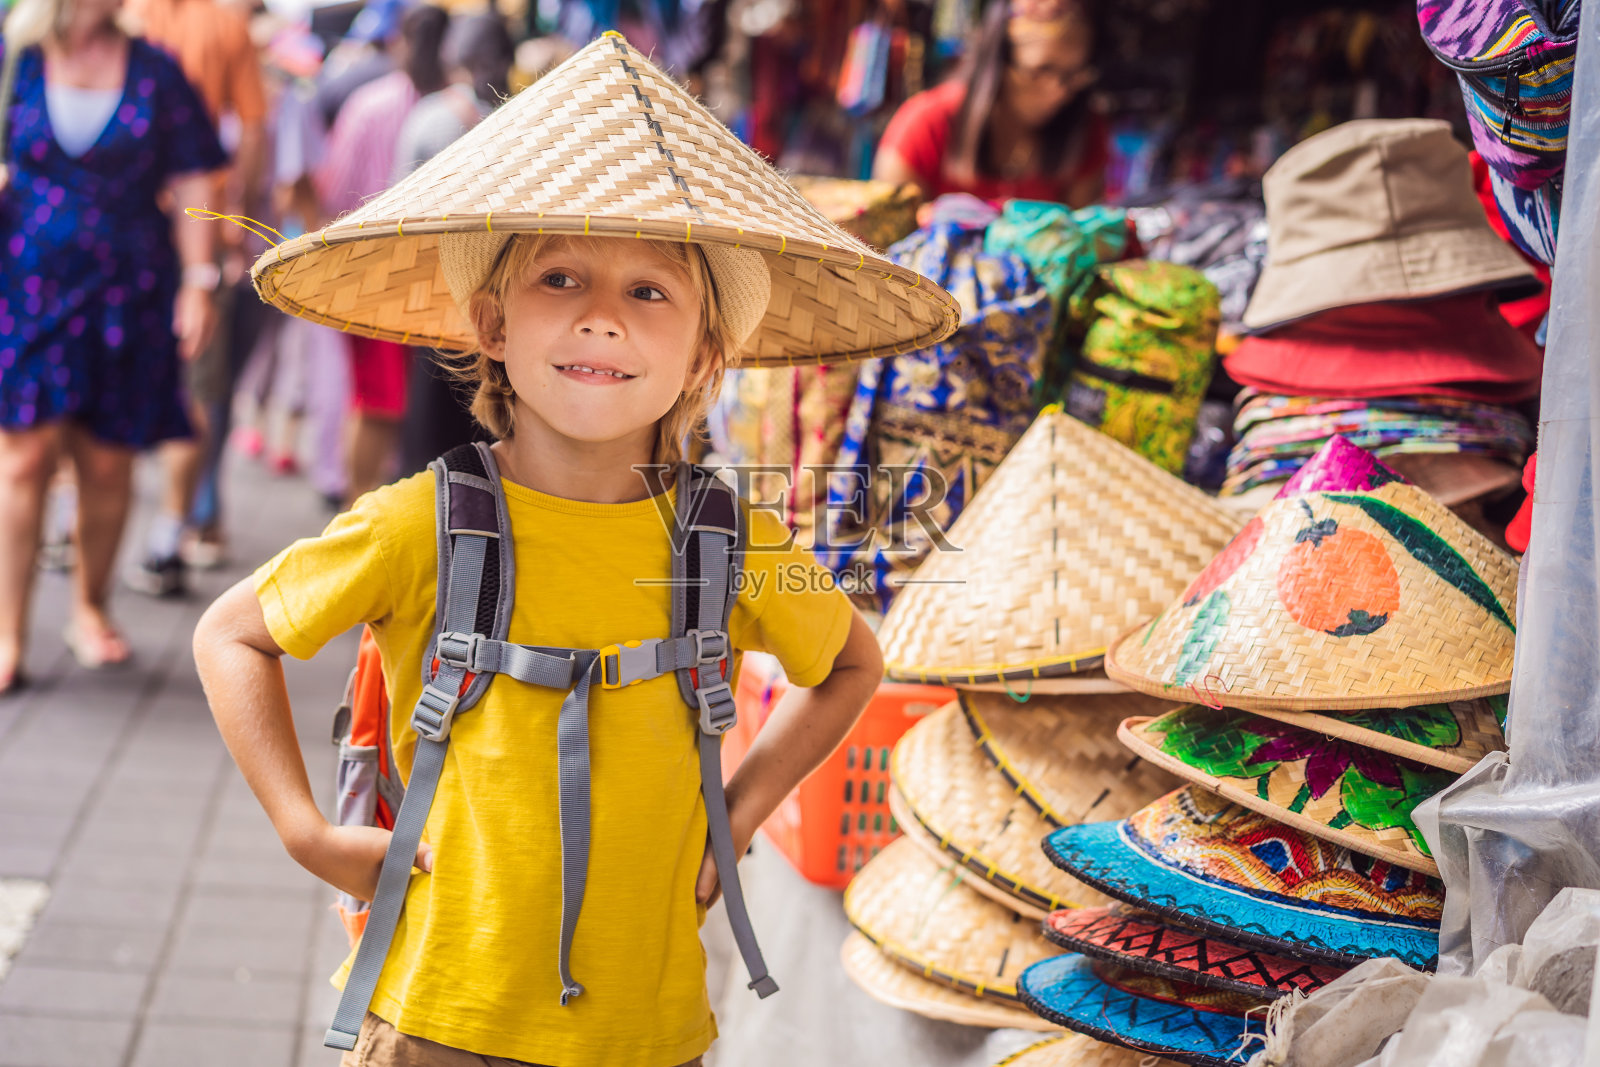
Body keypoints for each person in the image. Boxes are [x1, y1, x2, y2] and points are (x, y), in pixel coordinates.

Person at [191, 33, 924, 1066]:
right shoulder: (419, 525)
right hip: (436, 1022)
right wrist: (304, 831)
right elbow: (231, 636)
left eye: (650, 291)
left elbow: (852, 660)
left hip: (648, 1034)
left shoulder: (727, 538)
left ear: (705, 353)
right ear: (491, 321)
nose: (600, 319)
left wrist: (743, 806)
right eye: (561, 277)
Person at [0, 0, 223, 686]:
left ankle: (89, 607)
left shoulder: (156, 70)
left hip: (129, 288)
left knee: (105, 460)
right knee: (23, 458)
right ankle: (7, 632)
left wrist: (198, 280)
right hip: (28, 285)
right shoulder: (18, 59)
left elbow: (193, 180)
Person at [123, 0, 270, 591]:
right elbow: (254, 128)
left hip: (125, 231)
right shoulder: (224, 25)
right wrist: (235, 215)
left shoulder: (123, 21)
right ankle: (179, 527)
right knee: (201, 384)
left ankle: (89, 532)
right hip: (200, 229)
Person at [314, 1, 448, 504]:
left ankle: (360, 507)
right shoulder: (379, 107)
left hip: (375, 273)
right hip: (381, 274)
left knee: (382, 403)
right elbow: (334, 195)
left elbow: (332, 193)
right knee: (381, 403)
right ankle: (356, 509)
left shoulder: (371, 105)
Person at [391, 9, 513, 474]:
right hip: (495, 298)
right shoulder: (520, 122)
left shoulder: (430, 117)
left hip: (433, 293)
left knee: (429, 426)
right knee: (484, 421)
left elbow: (396, 208)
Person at [873, 0, 1108, 207]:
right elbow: (887, 238)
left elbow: (1082, 241)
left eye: (1073, 75)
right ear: (998, 64)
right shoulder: (926, 123)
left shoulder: (1085, 129)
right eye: (1040, 71)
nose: (1058, 91)